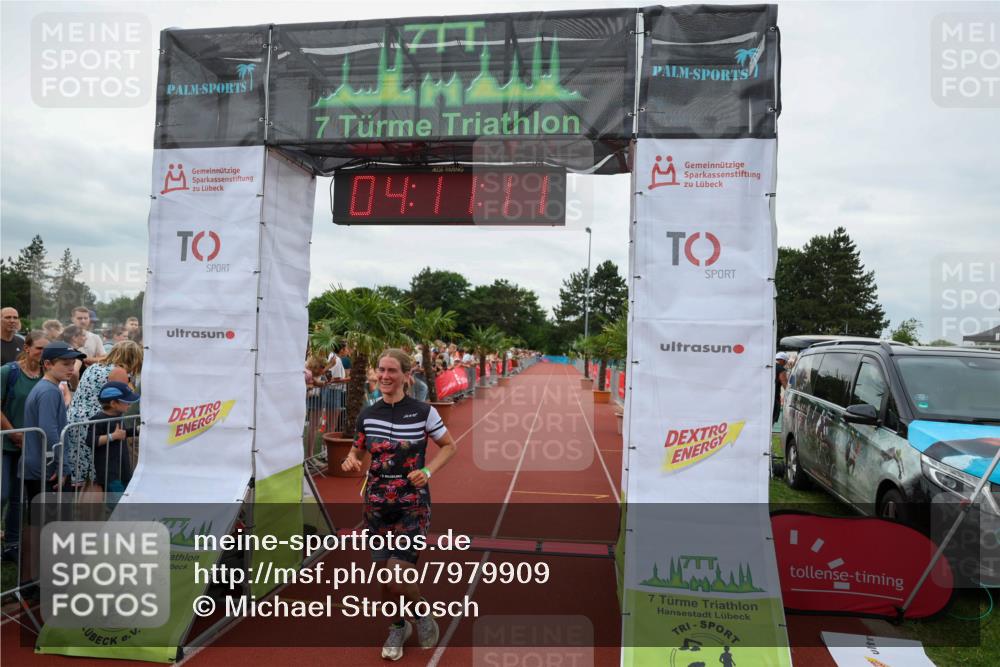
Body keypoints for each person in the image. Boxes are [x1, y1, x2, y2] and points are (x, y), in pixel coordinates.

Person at [341, 349, 457, 661]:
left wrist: (428, 470)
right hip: (377, 506)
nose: (384, 376)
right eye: (381, 370)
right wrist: (351, 460)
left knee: (397, 573)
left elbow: (449, 446)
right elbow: (357, 451)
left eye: (392, 370)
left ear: (407, 375)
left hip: (412, 505)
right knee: (384, 577)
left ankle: (420, 615)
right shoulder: (368, 413)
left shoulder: (423, 412)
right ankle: (397, 626)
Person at [66, 341, 143, 487]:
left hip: (77, 420)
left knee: (86, 477)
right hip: (99, 422)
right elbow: (124, 399)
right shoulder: (119, 371)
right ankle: (93, 510)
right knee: (97, 479)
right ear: (133, 358)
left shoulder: (95, 366)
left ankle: (82, 510)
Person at [1, 331, 48, 560]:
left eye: (45, 350)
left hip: (30, 447)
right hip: (6, 443)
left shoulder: (46, 376)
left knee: (19, 498)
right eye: (39, 348)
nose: (42, 353)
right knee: (2, 494)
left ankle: (11, 544)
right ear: (27, 348)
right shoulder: (8, 372)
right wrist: (13, 432)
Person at [22, 342, 84, 501]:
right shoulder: (49, 391)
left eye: (72, 363)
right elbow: (49, 431)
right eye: (65, 364)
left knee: (40, 520)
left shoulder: (48, 388)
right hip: (46, 466)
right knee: (48, 522)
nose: (71, 368)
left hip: (42, 463)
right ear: (48, 364)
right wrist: (62, 465)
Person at [86, 381, 140, 506]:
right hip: (109, 473)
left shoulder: (119, 416)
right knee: (117, 505)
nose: (129, 404)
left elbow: (123, 433)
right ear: (113, 403)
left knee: (127, 501)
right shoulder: (97, 419)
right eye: (126, 402)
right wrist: (112, 436)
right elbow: (90, 440)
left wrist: (137, 430)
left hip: (124, 469)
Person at [774, 352, 790, 425]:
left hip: (763, 398)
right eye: (785, 362)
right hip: (774, 398)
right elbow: (785, 384)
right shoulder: (781, 369)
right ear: (782, 360)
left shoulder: (769, 366)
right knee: (771, 420)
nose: (785, 364)